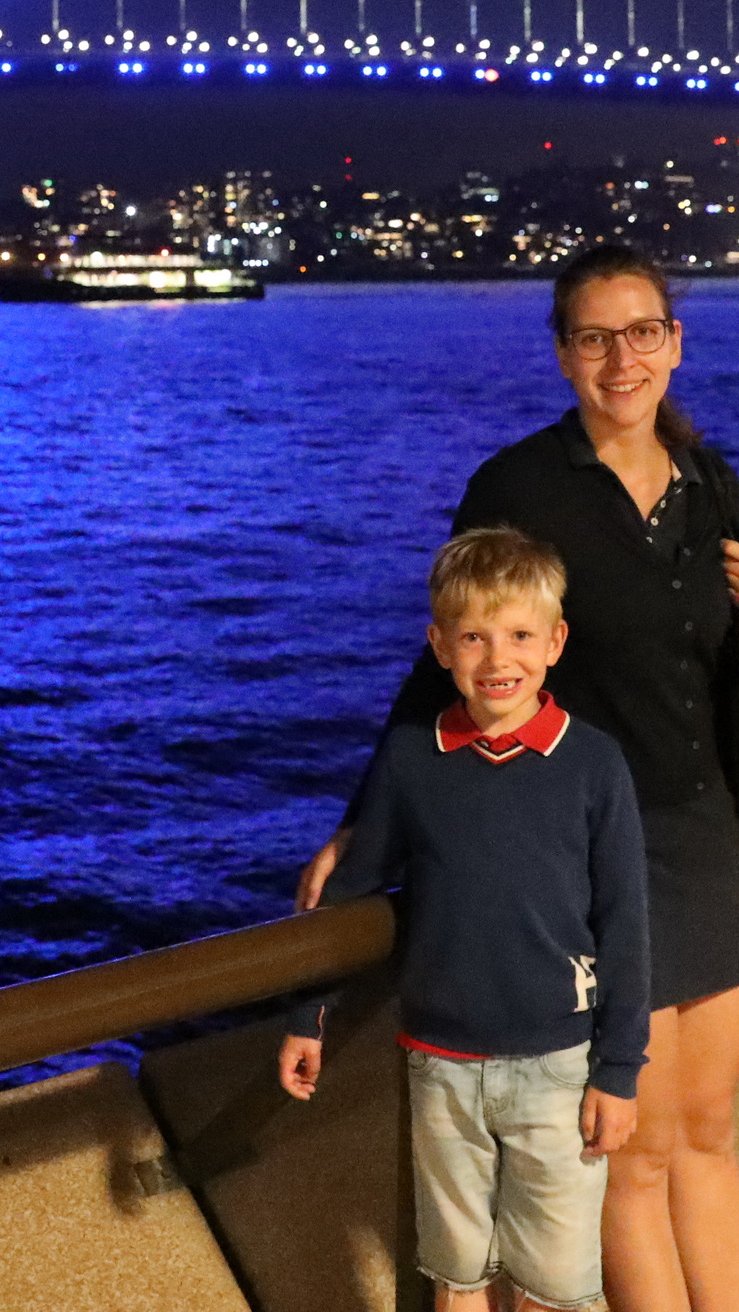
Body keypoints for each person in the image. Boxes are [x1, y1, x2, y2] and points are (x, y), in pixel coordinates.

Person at [301, 242, 739, 1312]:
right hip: (591, 847)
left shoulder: (712, 481)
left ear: (677, 340)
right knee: (635, 1148)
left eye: (643, 331)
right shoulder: (520, 485)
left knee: (709, 1131)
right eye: (594, 335)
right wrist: (359, 824)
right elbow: (447, 652)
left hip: (708, 831)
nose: (622, 357)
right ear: (563, 352)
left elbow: (731, 654)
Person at [280, 526, 650, 1312]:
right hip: (438, 1065)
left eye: (519, 635)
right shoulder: (413, 758)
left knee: (557, 1286)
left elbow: (626, 924)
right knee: (457, 1276)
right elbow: (353, 887)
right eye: (474, 637)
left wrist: (618, 1071)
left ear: (555, 642)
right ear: (439, 646)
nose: (497, 659)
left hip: (561, 1064)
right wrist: (308, 1017)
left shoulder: (594, 765)